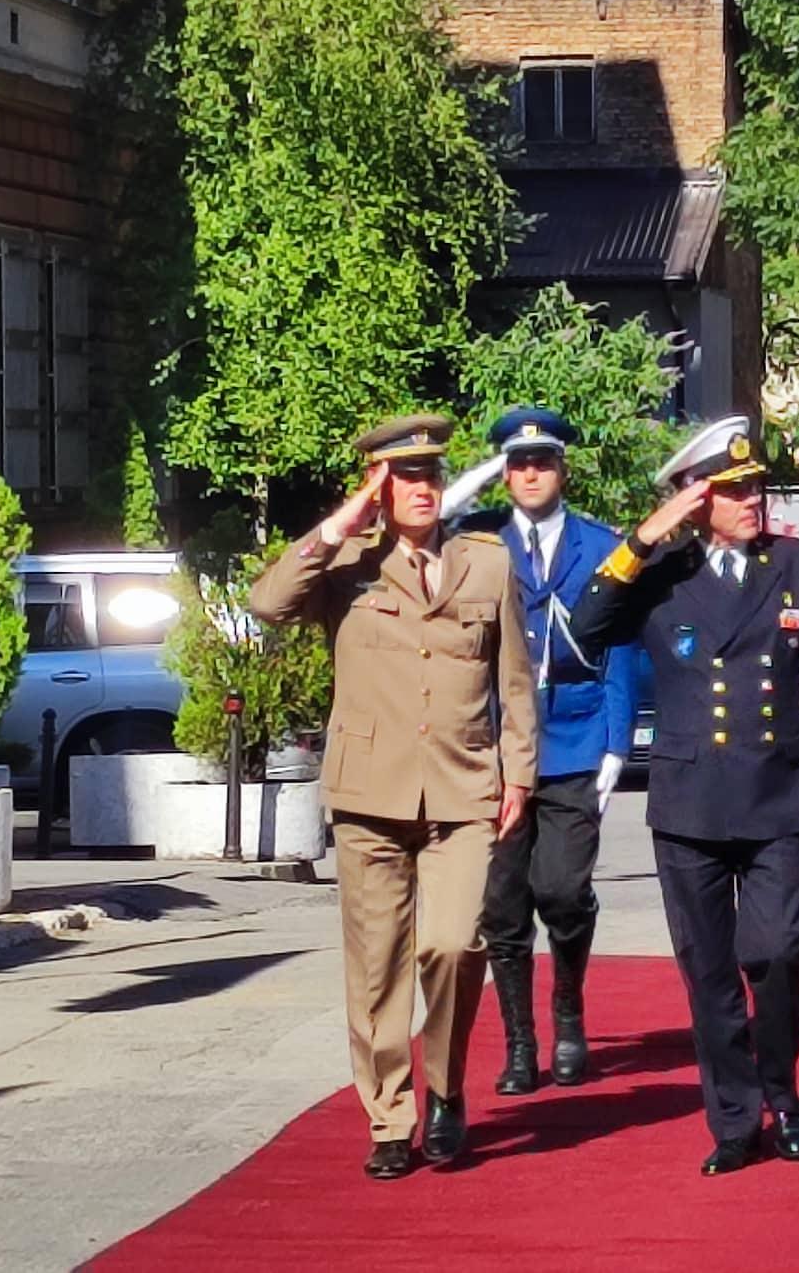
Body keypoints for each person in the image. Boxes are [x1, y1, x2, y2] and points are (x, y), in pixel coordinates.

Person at [248, 414, 538, 1181]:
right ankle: (389, 1116)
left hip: (463, 789)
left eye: (431, 477)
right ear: (378, 485)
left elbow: (514, 679)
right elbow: (268, 603)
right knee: (377, 968)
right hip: (369, 795)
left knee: (453, 945)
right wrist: (342, 520)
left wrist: (521, 774)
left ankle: (445, 1091)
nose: (422, 490)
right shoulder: (343, 565)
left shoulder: (486, 564)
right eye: (404, 478)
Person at [569, 414, 799, 1175]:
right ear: (698, 502)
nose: (752, 499)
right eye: (733, 491)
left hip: (776, 795)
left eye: (756, 485)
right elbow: (586, 627)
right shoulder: (664, 578)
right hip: (690, 802)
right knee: (708, 973)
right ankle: (734, 1121)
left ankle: (784, 1094)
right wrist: (647, 535)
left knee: (779, 952)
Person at [452, 406, 640, 1094]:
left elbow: (618, 640)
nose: (530, 474)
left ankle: (568, 1011)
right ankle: (520, 1045)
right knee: (501, 906)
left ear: (563, 469)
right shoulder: (478, 542)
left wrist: (618, 739)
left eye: (542, 462)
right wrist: (472, 481)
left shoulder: (599, 545)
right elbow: (421, 528)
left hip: (576, 737)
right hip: (494, 746)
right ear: (504, 474)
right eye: (517, 464)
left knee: (561, 890)